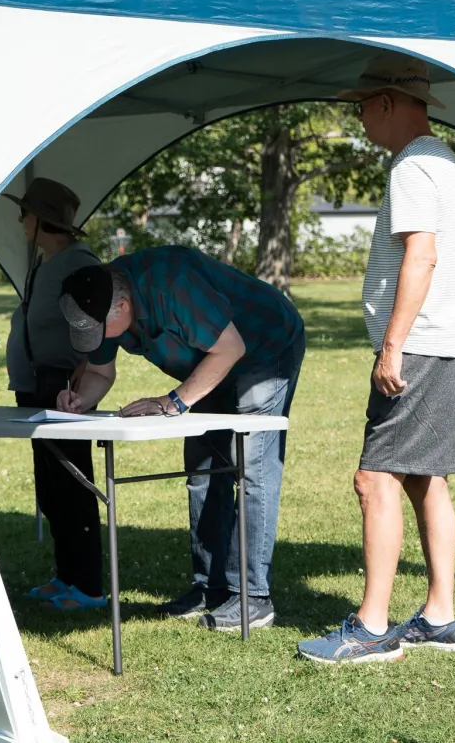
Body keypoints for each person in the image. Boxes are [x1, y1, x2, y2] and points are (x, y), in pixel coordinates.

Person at [298, 54, 455, 664]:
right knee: (427, 480)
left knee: (375, 478)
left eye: (361, 106)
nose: (359, 118)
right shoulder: (447, 162)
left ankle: (371, 630)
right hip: (453, 345)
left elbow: (421, 257)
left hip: (420, 346)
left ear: (385, 102)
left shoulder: (411, 166)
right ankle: (441, 618)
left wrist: (393, 344)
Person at [57, 247, 305, 631]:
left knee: (251, 466)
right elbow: (100, 373)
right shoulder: (99, 297)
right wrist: (80, 400)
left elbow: (231, 348)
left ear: (122, 307)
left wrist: (174, 401)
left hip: (264, 345)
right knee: (203, 470)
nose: (96, 339)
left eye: (98, 330)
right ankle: (211, 588)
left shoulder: (173, 285)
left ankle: (253, 598)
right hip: (209, 361)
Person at [3, 178, 106, 611]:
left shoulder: (78, 264)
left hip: (64, 389)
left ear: (42, 219)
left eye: (24, 212)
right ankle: (66, 577)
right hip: (36, 387)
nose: (20, 220)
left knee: (73, 486)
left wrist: (76, 384)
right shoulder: (45, 262)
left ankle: (89, 587)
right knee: (51, 488)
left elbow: (95, 331)